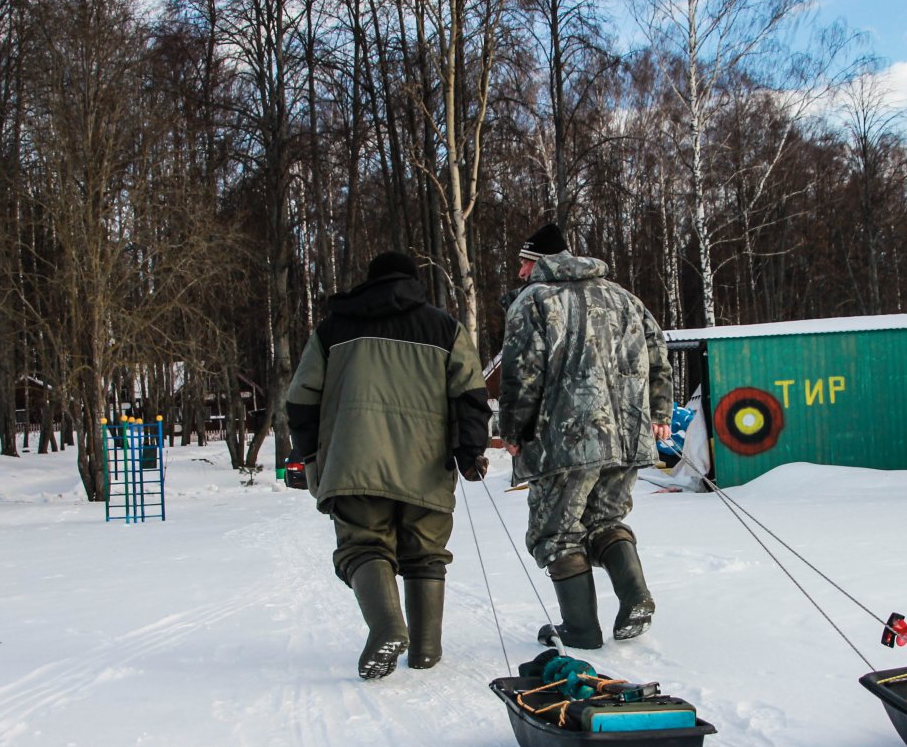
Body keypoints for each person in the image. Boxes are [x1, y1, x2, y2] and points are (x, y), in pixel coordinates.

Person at [283, 251, 491, 679]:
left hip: (352, 459)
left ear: (370, 280)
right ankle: (426, 651)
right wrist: (470, 452)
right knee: (427, 553)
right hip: (427, 464)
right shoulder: (444, 327)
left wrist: (310, 454)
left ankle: (387, 626)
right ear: (414, 281)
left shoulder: (333, 329)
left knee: (363, 544)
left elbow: (301, 399)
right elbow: (470, 395)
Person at [496, 223, 673, 649]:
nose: (520, 272)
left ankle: (581, 629)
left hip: (566, 440)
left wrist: (513, 429)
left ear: (539, 261)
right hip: (627, 437)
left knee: (556, 532)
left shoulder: (534, 301)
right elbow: (658, 356)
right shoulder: (626, 298)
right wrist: (660, 412)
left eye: (523, 262)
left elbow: (522, 373)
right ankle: (635, 597)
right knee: (605, 520)